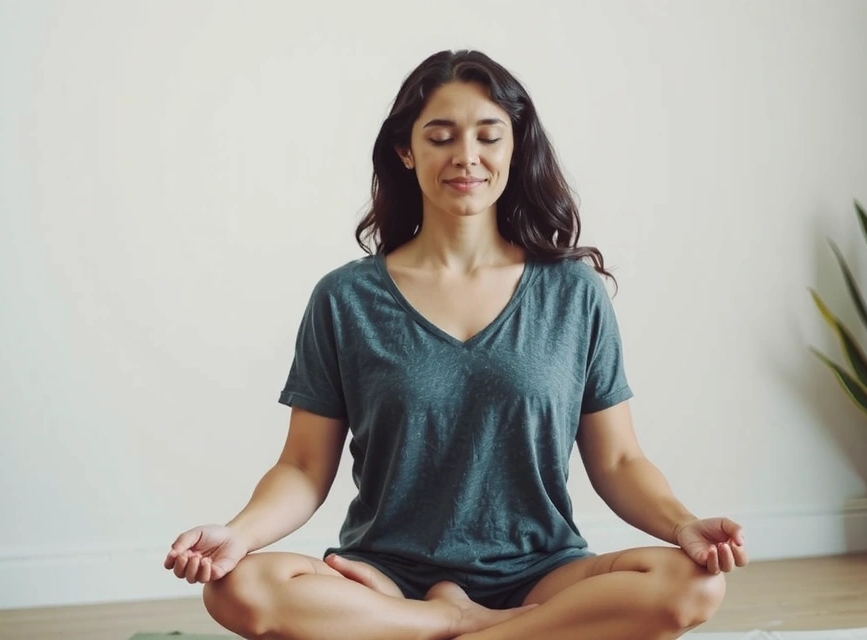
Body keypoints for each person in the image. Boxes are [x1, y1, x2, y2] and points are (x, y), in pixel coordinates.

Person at [163, 49, 748, 640]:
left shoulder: (572, 292)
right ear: (406, 150)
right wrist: (240, 534)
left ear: (514, 148)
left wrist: (683, 526)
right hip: (385, 576)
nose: (466, 157)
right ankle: (454, 623)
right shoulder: (345, 298)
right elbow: (304, 465)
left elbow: (619, 461)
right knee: (238, 586)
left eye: (488, 137)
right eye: (440, 137)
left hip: (541, 573)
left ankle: (436, 632)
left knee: (695, 583)